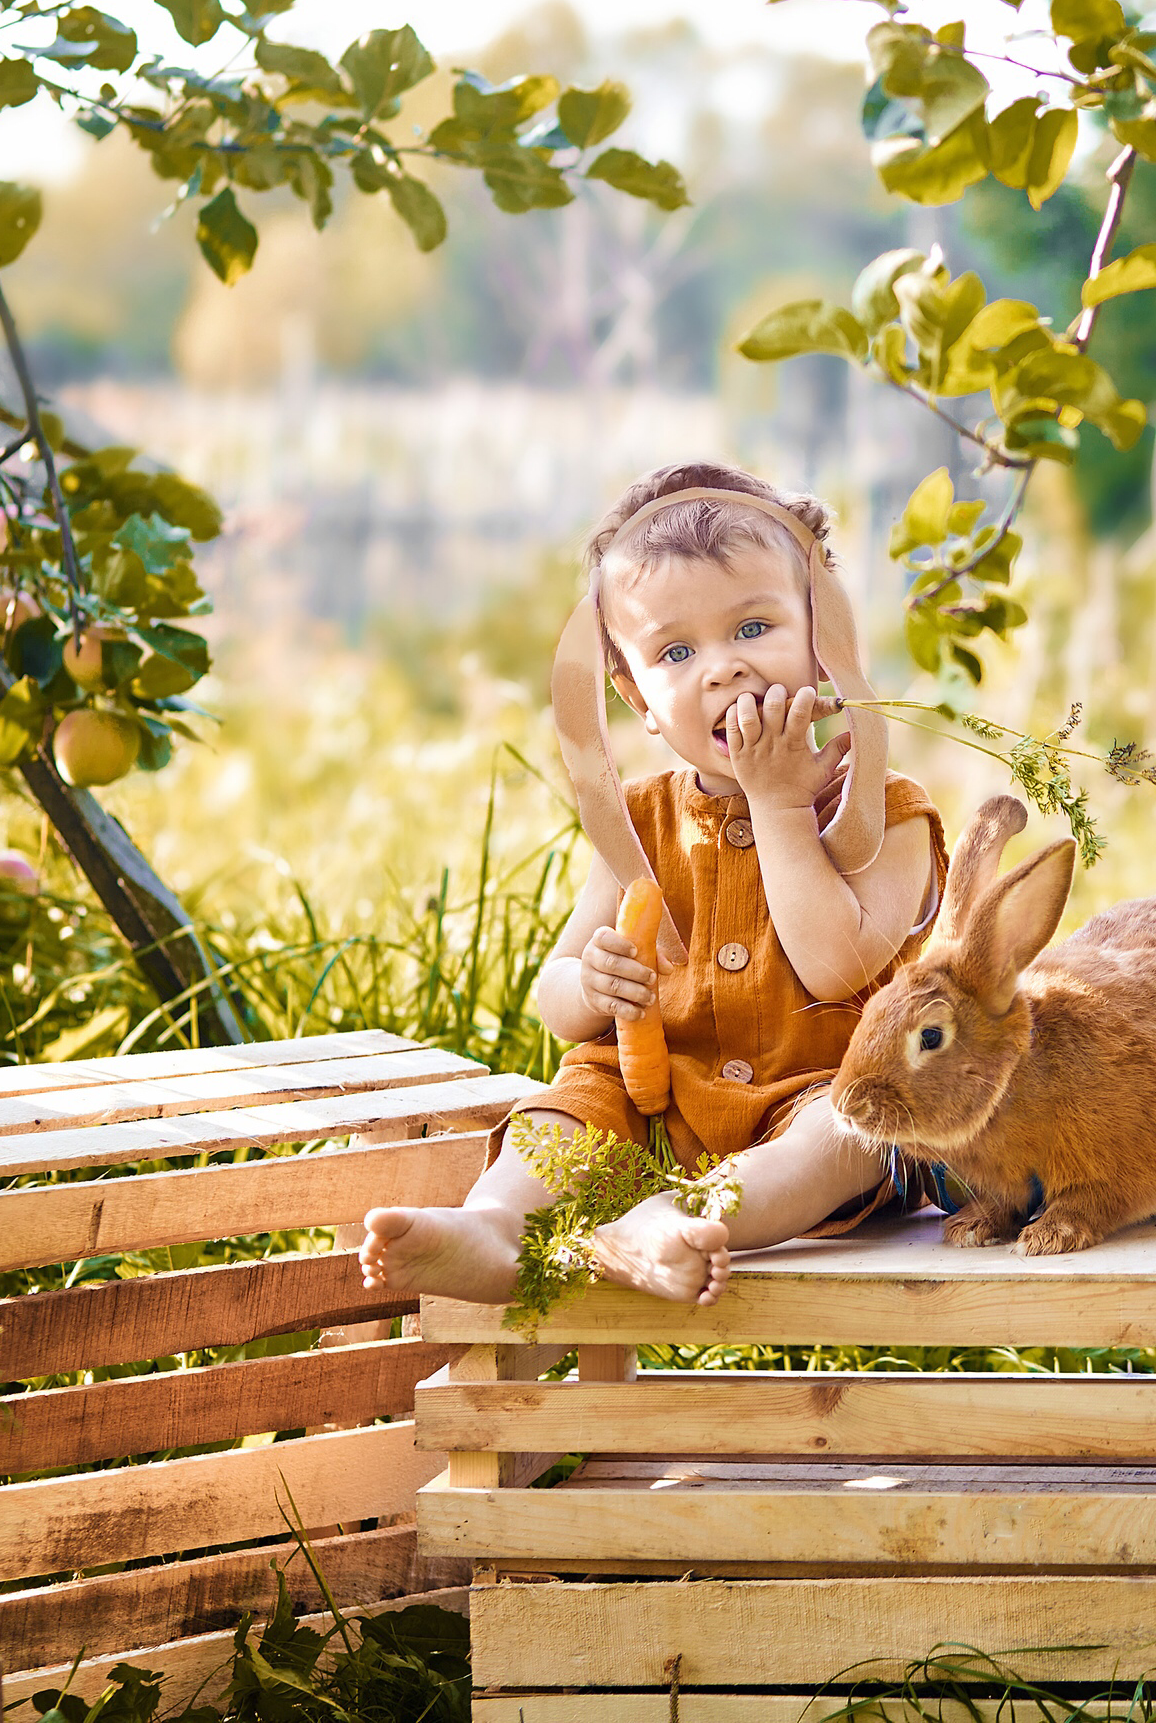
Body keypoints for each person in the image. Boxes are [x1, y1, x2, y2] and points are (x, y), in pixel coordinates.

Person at [358, 463, 945, 1307]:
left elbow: (836, 970)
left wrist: (780, 804)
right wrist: (589, 981)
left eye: (753, 626)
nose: (723, 669)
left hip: (810, 1097)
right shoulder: (637, 822)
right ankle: (492, 1228)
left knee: (853, 1126)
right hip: (651, 1100)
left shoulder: (885, 812)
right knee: (568, 1109)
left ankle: (681, 1216)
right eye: (676, 651)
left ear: (827, 636)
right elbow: (555, 998)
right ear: (634, 694)